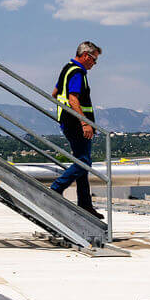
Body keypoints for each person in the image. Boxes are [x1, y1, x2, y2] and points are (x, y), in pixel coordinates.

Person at [48, 41, 103, 219]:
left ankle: (85, 204)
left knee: (82, 163)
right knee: (84, 162)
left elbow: (55, 93)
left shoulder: (67, 68)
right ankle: (56, 188)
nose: (94, 64)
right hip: (76, 124)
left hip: (68, 121)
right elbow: (73, 99)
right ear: (86, 55)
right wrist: (84, 123)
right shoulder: (78, 72)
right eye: (94, 60)